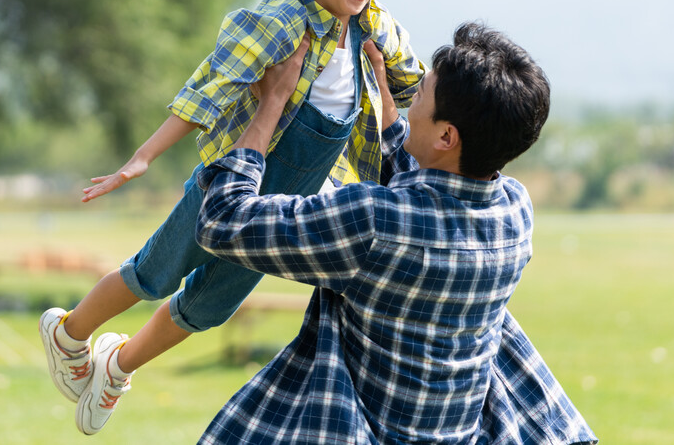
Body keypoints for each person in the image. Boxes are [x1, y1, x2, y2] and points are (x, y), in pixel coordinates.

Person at [38, 0, 426, 435]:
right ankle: (68, 333)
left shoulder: (376, 30)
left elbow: (413, 85)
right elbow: (213, 84)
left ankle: (115, 366)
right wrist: (143, 157)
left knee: (208, 308)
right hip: (229, 185)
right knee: (155, 272)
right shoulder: (283, 21)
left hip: (278, 214)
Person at [194, 22, 598, 444]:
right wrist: (385, 108)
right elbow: (428, 203)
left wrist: (271, 104)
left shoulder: (373, 222)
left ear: (446, 135)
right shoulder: (514, 213)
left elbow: (223, 221)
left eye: (421, 93)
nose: (412, 103)